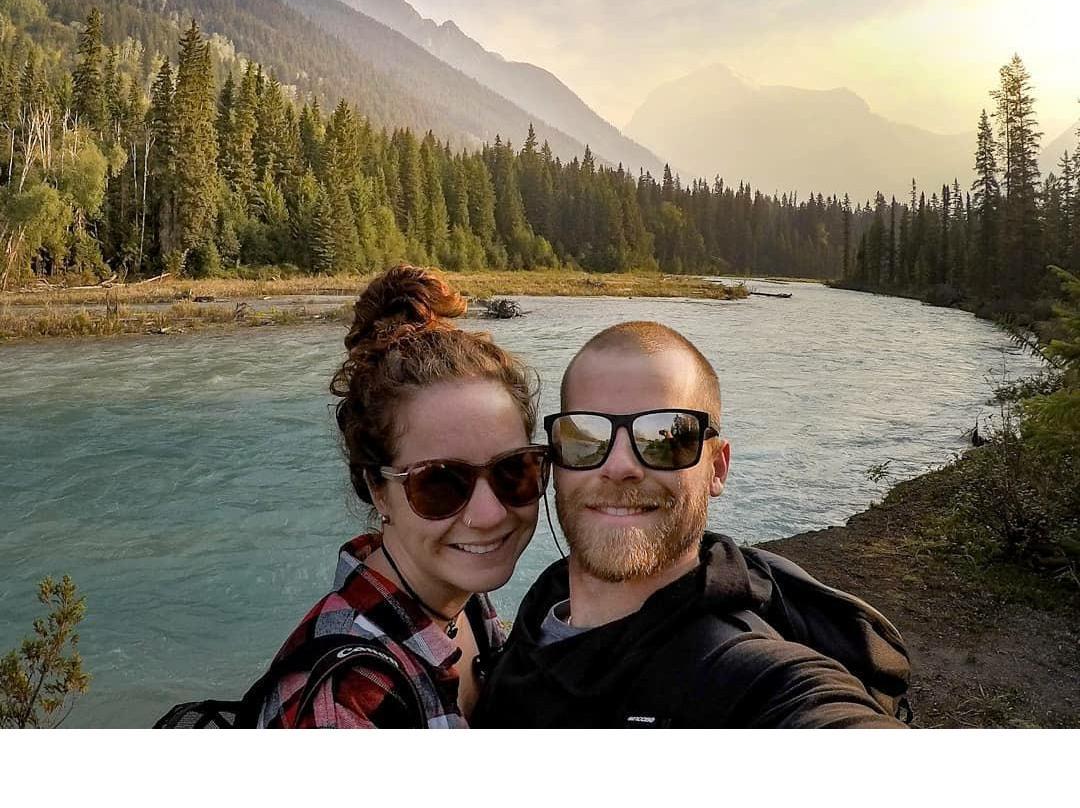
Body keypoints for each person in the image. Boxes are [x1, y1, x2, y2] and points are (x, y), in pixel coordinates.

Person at [471, 320, 907, 728]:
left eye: (666, 437)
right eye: (587, 437)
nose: (619, 465)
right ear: (555, 460)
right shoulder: (543, 602)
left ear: (717, 468)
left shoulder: (740, 671)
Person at [258, 265, 548, 728]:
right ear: (378, 488)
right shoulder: (342, 703)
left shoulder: (461, 600)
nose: (489, 513)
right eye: (439, 483)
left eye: (513, 469)